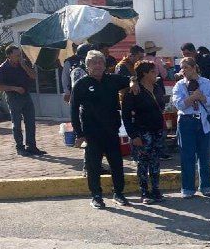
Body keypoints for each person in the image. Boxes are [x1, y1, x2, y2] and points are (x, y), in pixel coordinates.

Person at [71, 50, 138, 209]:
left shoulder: (112, 79)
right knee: (93, 166)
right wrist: (79, 133)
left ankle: (118, 193)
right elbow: (73, 110)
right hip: (91, 132)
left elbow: (131, 78)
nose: (98, 65)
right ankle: (96, 196)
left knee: (116, 164)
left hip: (111, 130)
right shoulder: (81, 84)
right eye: (94, 62)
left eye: (100, 62)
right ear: (87, 66)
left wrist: (132, 83)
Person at [173, 57, 210, 198]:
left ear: (194, 68)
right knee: (187, 156)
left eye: (186, 67)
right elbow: (178, 104)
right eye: (182, 68)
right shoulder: (180, 85)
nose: (183, 71)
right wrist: (192, 98)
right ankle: (187, 189)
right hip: (186, 121)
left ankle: (205, 186)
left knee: (204, 155)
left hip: (203, 120)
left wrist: (203, 97)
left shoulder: (206, 82)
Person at [121, 61, 166, 204]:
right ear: (144, 73)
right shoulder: (134, 91)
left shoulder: (157, 87)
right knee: (142, 163)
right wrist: (133, 135)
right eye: (152, 72)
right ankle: (144, 191)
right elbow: (126, 116)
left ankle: (156, 190)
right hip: (142, 132)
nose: (156, 74)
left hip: (157, 130)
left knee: (155, 161)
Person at [0, 45, 46, 156]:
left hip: (26, 95)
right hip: (13, 97)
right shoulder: (3, 68)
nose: (19, 57)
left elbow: (34, 76)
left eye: (20, 55)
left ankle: (31, 146)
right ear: (9, 56)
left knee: (30, 122)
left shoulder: (23, 64)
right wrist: (14, 88)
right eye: (17, 55)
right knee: (17, 123)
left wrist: (24, 66)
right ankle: (20, 147)